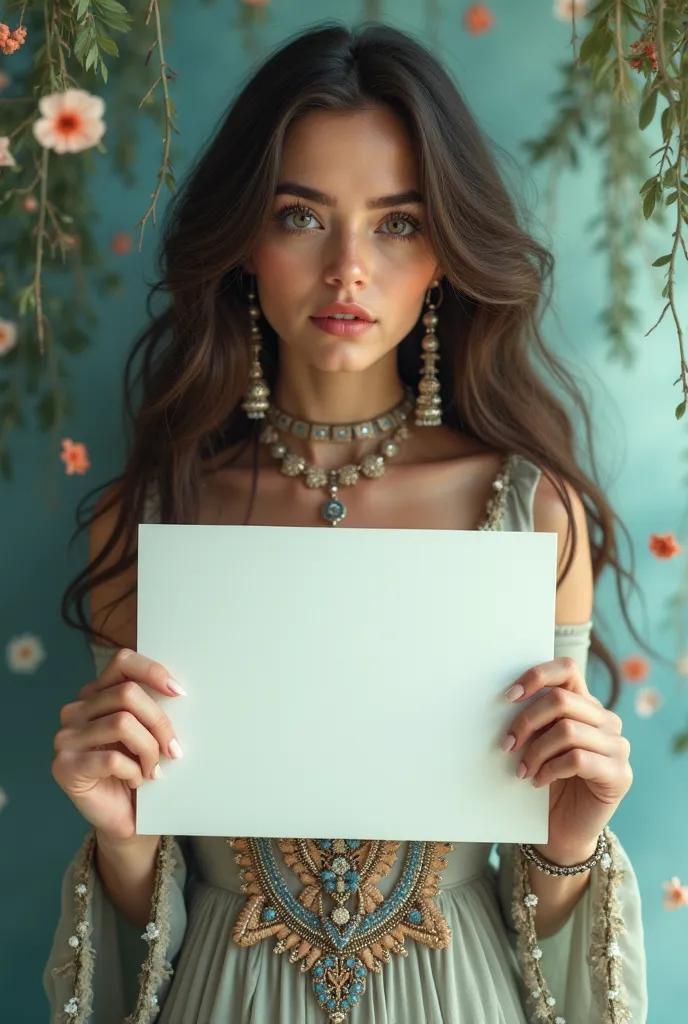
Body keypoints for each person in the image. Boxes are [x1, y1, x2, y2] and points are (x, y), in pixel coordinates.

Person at [44, 20, 647, 1024]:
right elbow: (127, 970)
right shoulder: (142, 523)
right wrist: (121, 836)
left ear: (446, 250)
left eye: (398, 222)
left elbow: (550, 948)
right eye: (300, 215)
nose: (348, 269)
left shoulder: (532, 514)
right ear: (243, 238)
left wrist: (569, 839)